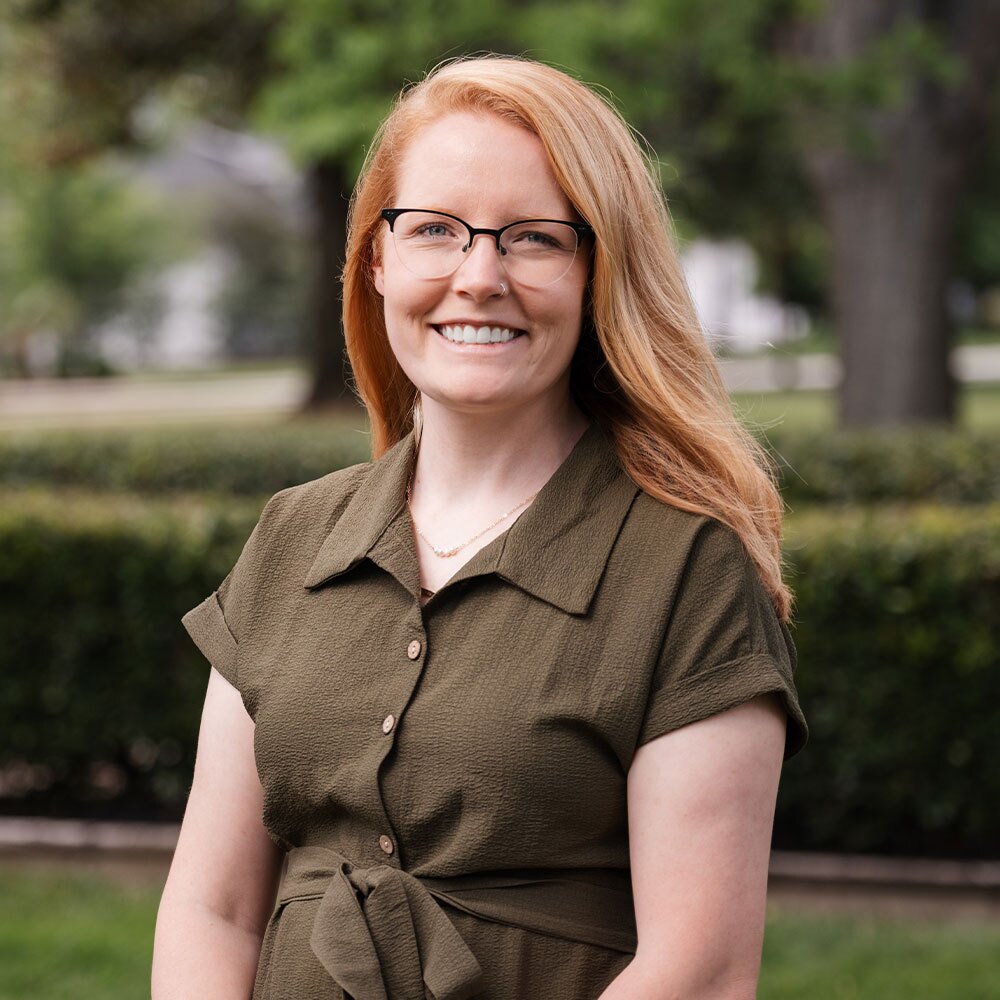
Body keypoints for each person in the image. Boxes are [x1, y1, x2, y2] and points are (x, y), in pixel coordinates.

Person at [152, 55, 807, 1000]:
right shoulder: (292, 537)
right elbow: (211, 908)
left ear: (598, 270)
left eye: (535, 239)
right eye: (434, 231)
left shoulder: (687, 571)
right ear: (377, 259)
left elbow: (697, 972)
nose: (480, 276)